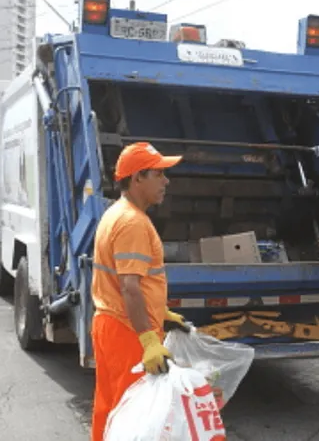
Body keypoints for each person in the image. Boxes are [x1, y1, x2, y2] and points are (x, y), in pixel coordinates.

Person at [89, 142, 190, 441]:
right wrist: (148, 340)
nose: (166, 181)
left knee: (112, 407)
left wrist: (161, 313)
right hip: (126, 330)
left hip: (111, 323)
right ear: (136, 178)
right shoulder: (133, 223)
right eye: (158, 174)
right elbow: (130, 287)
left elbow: (133, 285)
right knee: (134, 416)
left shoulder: (117, 213)